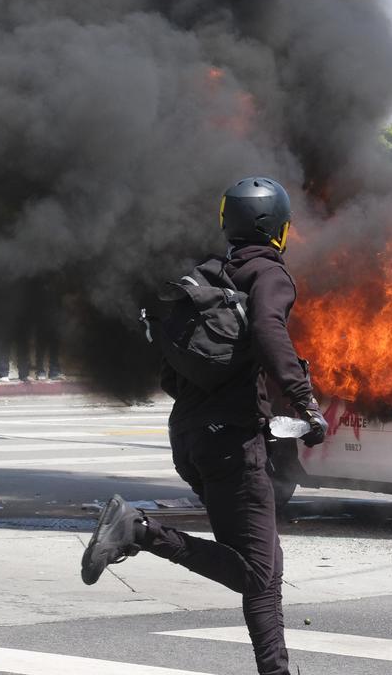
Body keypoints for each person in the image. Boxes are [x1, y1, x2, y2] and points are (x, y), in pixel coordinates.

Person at [80, 177, 327, 675]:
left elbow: (173, 371)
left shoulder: (206, 278)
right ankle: (139, 529)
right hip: (234, 443)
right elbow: (268, 331)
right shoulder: (269, 275)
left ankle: (276, 670)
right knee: (257, 573)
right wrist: (305, 403)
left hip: (191, 439)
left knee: (265, 571)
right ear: (277, 227)